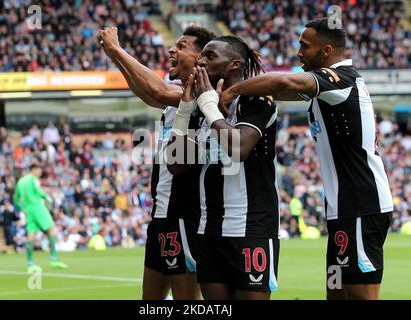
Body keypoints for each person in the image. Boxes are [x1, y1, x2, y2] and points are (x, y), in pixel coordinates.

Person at [220, 18, 393, 300]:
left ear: (326, 51)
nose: (298, 52)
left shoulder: (341, 78)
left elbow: (285, 80)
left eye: (304, 46)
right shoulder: (326, 89)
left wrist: (232, 91)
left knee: (360, 296)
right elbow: (282, 89)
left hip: (360, 205)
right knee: (336, 292)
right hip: (343, 210)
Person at [100, 25, 216, 300]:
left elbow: (156, 91)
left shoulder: (202, 95)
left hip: (183, 213)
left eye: (182, 45)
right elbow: (147, 91)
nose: (171, 50)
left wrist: (117, 49)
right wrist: (114, 56)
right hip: (161, 211)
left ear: (202, 57)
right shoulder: (176, 92)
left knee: (186, 300)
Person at [168, 35, 280, 300]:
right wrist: (185, 112)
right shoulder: (200, 110)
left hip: (250, 226)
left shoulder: (257, 102)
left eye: (210, 56)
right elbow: (176, 165)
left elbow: (238, 148)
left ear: (234, 65)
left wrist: (209, 106)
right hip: (209, 228)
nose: (201, 61)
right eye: (202, 55)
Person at [13, 163, 68, 272]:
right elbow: (38, 191)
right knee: (51, 230)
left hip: (29, 210)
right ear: (33, 170)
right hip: (38, 207)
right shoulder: (33, 179)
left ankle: (30, 264)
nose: (40, 173)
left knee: (31, 235)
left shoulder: (20, 182)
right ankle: (54, 259)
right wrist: (47, 197)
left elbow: (15, 199)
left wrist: (23, 209)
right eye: (39, 170)